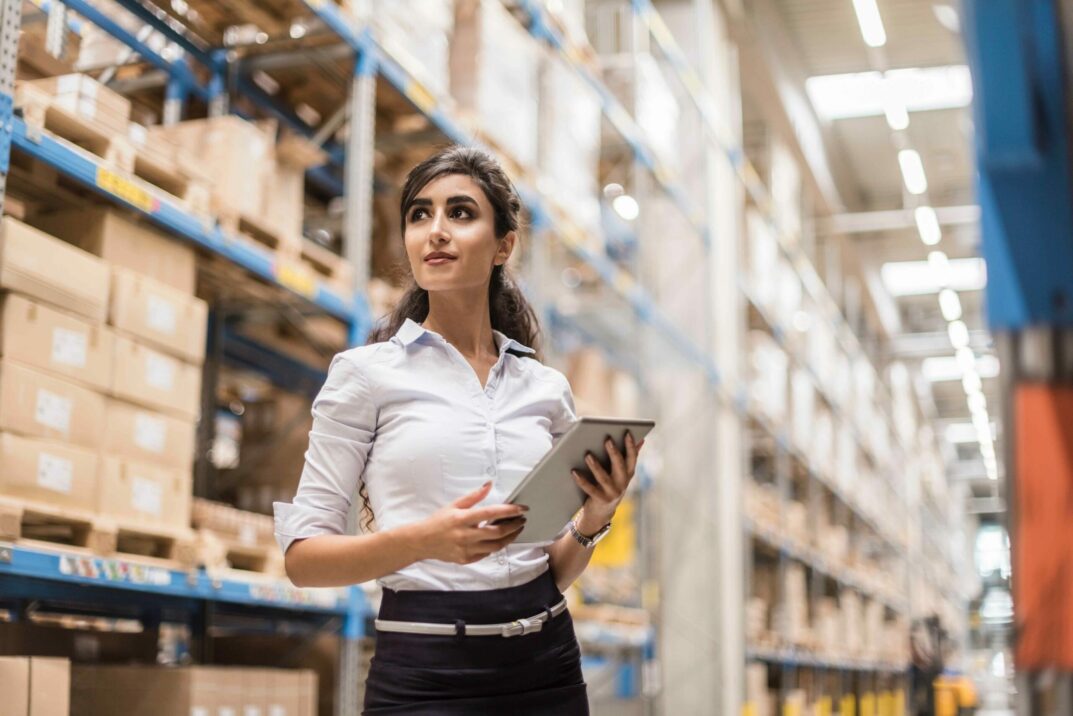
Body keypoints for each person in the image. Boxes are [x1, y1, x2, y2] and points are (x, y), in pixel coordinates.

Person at [273, 145, 645, 715]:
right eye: (420, 215)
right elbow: (303, 559)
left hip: (547, 668)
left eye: (460, 213)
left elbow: (548, 573)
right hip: (425, 674)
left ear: (503, 246)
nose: (436, 231)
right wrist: (426, 541)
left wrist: (596, 514)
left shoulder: (544, 389)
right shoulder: (365, 375)